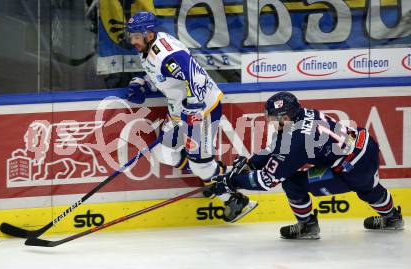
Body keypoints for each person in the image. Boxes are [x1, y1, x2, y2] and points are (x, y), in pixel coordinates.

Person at [208, 91, 404, 239]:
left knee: (294, 183)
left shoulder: (297, 140)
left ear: (285, 118)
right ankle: (392, 217)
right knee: (369, 187)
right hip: (365, 143)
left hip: (353, 166)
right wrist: (251, 163)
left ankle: (307, 226)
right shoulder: (303, 114)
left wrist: (233, 182)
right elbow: (276, 147)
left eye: (272, 118)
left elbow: (268, 180)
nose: (269, 122)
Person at [123, 11, 257, 222]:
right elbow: (162, 77)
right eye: (131, 36)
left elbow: (195, 77)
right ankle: (216, 176)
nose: (132, 41)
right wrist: (143, 83)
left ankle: (235, 199)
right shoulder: (148, 49)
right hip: (180, 113)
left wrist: (193, 109)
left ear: (149, 35)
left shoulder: (168, 54)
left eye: (136, 36)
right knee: (163, 153)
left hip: (202, 112)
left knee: (199, 165)